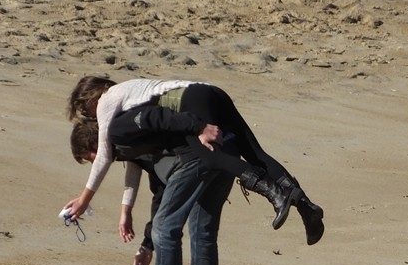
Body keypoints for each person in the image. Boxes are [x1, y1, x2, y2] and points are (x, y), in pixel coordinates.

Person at [63, 76, 324, 246]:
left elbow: (105, 154)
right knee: (255, 152)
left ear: (90, 99)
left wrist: (84, 200)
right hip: (211, 92)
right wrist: (126, 210)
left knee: (211, 157)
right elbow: (133, 162)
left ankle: (275, 193)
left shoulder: (107, 100)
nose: (93, 118)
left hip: (190, 101)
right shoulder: (130, 93)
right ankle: (305, 205)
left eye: (86, 112)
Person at [69, 114, 230, 265]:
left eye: (89, 157)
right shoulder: (133, 145)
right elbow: (141, 178)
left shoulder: (127, 137)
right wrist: (144, 242)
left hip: (192, 162)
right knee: (202, 232)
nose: (94, 163)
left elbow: (160, 191)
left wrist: (85, 200)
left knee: (164, 229)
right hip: (221, 156)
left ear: (95, 144)